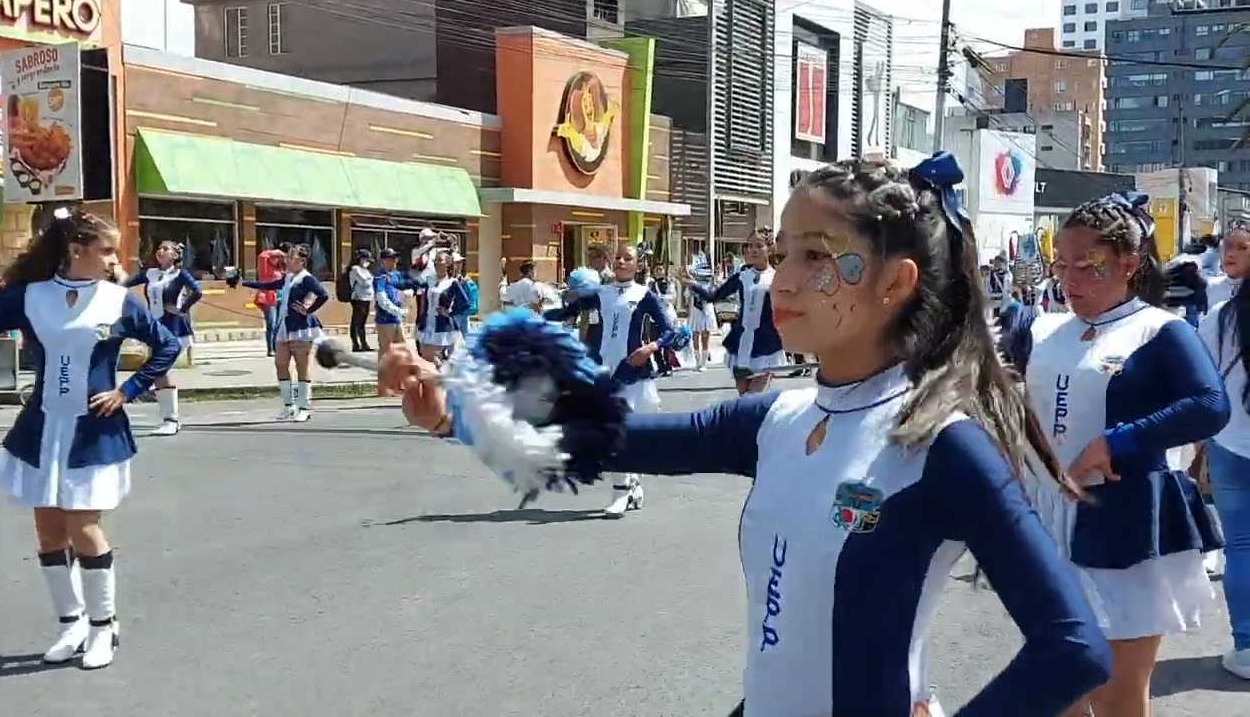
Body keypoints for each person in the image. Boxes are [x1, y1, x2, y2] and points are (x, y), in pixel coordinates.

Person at [383, 154, 1111, 714]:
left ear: (895, 283)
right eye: (784, 252)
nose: (783, 281)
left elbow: (1073, 647)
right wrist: (456, 414)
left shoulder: (938, 444)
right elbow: (613, 438)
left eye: (817, 257)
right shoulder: (776, 419)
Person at [1011, 192, 1228, 716]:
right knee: (1059, 683)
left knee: (1116, 692)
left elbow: (1209, 405)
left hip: (1124, 523)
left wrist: (1118, 441)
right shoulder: (1044, 329)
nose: (1071, 280)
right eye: (1061, 265)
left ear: (1129, 264)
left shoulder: (1159, 329)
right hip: (1046, 518)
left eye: (1089, 267)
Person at [0, 208, 180, 670]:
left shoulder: (118, 300)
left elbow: (167, 345)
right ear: (75, 250)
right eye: (105, 250)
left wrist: (127, 390)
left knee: (83, 527)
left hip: (93, 431)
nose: (113, 260)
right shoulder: (30, 295)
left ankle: (104, 627)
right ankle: (72, 623)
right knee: (47, 530)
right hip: (41, 428)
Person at [542, 242, 676, 517]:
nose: (621, 262)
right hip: (603, 372)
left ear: (638, 265)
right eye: (618, 258)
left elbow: (674, 332)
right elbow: (568, 313)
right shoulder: (599, 294)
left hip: (633, 373)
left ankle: (626, 488)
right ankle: (626, 488)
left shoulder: (644, 295)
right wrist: (536, 312)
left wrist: (649, 349)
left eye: (628, 258)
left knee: (627, 433)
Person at [1197, 221, 1250, 679]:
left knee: (1241, 547)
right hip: (1228, 440)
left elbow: (1201, 387)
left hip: (1231, 440)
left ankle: (1248, 648)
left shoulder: (1217, 318)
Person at [230, 244, 330, 422]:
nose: (287, 260)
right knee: (280, 364)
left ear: (302, 261)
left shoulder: (307, 279)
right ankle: (288, 406)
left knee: (302, 366)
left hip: (302, 328)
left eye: (291, 257)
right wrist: (242, 282)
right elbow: (267, 285)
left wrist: (308, 309)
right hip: (284, 327)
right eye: (288, 256)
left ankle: (303, 406)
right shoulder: (287, 278)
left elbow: (323, 295)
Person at [680, 230, 786, 395]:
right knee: (743, 396)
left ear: (770, 249)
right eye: (750, 246)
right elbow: (714, 295)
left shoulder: (778, 278)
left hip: (765, 343)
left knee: (752, 398)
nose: (753, 250)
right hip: (740, 342)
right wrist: (693, 284)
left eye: (759, 246)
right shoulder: (742, 276)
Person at [122, 241, 201, 436]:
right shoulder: (151, 273)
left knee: (159, 371)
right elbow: (125, 283)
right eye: (159, 248)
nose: (161, 251)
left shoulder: (180, 274)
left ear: (175, 255)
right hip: (156, 329)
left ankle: (171, 420)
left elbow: (198, 292)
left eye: (166, 249)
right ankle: (169, 418)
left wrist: (181, 310)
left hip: (174, 329)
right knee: (158, 373)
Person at [412, 250, 470, 363]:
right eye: (435, 260)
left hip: (443, 327)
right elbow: (415, 281)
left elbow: (465, 304)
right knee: (425, 360)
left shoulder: (452, 283)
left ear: (448, 263)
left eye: (440, 260)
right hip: (426, 325)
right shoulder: (430, 281)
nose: (436, 263)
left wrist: (449, 312)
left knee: (439, 362)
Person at [373, 248, 416, 356]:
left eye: (395, 258)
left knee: (401, 350)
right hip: (385, 319)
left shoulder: (397, 274)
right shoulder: (380, 277)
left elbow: (403, 289)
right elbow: (382, 300)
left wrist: (408, 293)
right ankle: (384, 372)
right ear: (383, 261)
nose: (395, 260)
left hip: (397, 319)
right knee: (386, 352)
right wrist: (398, 311)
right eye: (391, 258)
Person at [254, 242, 290, 356]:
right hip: (268, 298)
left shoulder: (280, 269)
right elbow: (263, 255)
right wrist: (278, 253)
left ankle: (276, 347)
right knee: (272, 324)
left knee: (279, 324)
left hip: (279, 297)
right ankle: (270, 349)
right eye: (277, 257)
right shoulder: (265, 266)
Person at [648, 262, 678, 376]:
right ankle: (660, 366)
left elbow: (673, 297)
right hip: (654, 317)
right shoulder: (650, 285)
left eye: (661, 269)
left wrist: (660, 298)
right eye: (657, 269)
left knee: (667, 342)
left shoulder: (669, 284)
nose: (659, 271)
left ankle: (668, 365)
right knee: (654, 342)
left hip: (667, 316)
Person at [346, 249, 375, 352]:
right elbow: (365, 282)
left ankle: (364, 343)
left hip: (367, 298)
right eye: (366, 259)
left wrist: (370, 280)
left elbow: (370, 281)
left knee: (362, 322)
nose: (368, 262)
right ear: (360, 259)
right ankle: (355, 344)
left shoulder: (366, 270)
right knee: (356, 321)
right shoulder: (355, 269)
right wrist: (371, 279)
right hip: (358, 299)